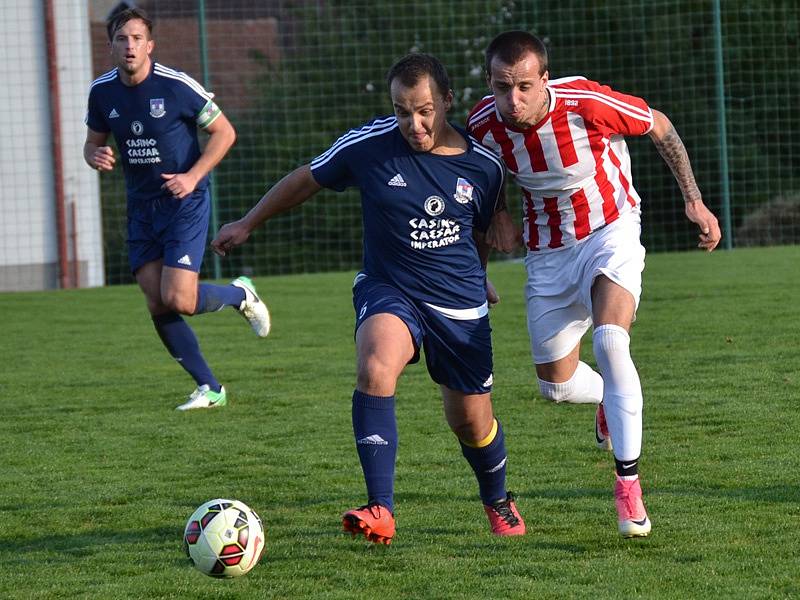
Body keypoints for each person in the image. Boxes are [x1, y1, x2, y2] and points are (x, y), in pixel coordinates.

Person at [212, 53, 525, 543]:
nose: (414, 123)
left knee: (470, 421)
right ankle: (381, 507)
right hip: (390, 287)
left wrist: (481, 276)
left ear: (446, 101)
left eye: (424, 110)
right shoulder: (369, 146)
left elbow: (481, 229)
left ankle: (497, 499)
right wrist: (248, 222)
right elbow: (306, 179)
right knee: (376, 366)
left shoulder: (484, 166)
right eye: (402, 111)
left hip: (459, 303)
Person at [467, 31, 721, 538]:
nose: (512, 100)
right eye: (501, 87)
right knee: (556, 386)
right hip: (547, 254)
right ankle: (608, 399)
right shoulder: (483, 125)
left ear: (544, 80)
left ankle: (628, 484)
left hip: (611, 230)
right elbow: (481, 180)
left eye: (523, 86)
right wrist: (493, 225)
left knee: (610, 339)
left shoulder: (585, 102)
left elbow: (660, 127)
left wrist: (693, 198)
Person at [84, 8, 271, 411]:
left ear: (150, 45)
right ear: (111, 45)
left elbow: (225, 132)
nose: (129, 45)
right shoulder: (101, 92)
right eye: (122, 38)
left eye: (137, 38)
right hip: (141, 208)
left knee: (180, 299)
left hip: (184, 202)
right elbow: (91, 143)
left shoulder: (176, 85)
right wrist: (94, 154)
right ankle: (210, 388)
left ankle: (240, 294)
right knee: (157, 301)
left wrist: (192, 175)